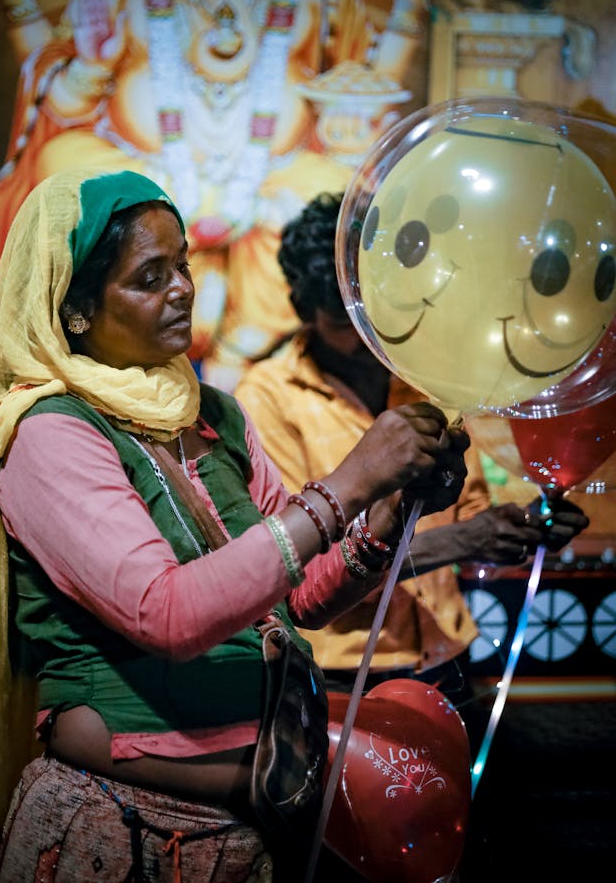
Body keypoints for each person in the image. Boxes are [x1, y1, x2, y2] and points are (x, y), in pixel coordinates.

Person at [0, 168, 469, 883]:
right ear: (76, 307)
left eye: (183, 265)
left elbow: (299, 597)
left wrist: (385, 509)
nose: (181, 288)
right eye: (149, 276)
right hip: (119, 832)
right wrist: (350, 481)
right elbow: (165, 611)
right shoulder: (50, 431)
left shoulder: (211, 414)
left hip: (254, 819)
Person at [234, 190, 590, 739]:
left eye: (369, 314)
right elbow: (303, 568)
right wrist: (468, 540)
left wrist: (524, 526)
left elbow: (467, 511)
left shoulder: (423, 380)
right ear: (305, 310)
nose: (361, 335)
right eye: (340, 320)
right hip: (336, 671)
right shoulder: (267, 397)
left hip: (444, 650)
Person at [0, 0, 430, 389]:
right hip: (148, 175)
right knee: (59, 162)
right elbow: (61, 110)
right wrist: (91, 64)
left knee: (335, 189)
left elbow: (368, 88)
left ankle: (245, 349)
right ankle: (115, 351)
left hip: (274, 182)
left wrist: (408, 6)